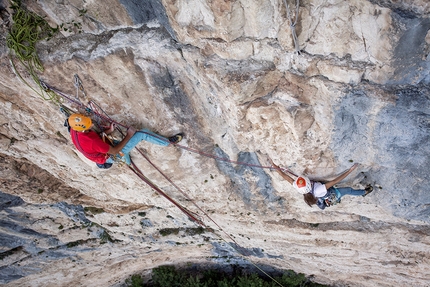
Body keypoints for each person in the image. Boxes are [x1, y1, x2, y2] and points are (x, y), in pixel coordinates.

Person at [68, 113, 183, 169]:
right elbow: (114, 151)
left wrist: (109, 131)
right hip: (112, 155)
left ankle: (128, 163)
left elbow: (95, 137)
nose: (92, 124)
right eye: (88, 125)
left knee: (123, 148)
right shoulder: (92, 142)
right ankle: (168, 142)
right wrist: (129, 135)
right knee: (141, 134)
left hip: (102, 153)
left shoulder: (74, 130)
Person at [270, 160, 373, 210]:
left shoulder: (299, 187)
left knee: (346, 190)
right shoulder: (318, 190)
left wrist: (275, 167)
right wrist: (350, 170)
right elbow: (335, 181)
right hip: (332, 194)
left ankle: (363, 192)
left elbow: (286, 177)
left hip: (322, 194)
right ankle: (364, 192)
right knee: (348, 190)